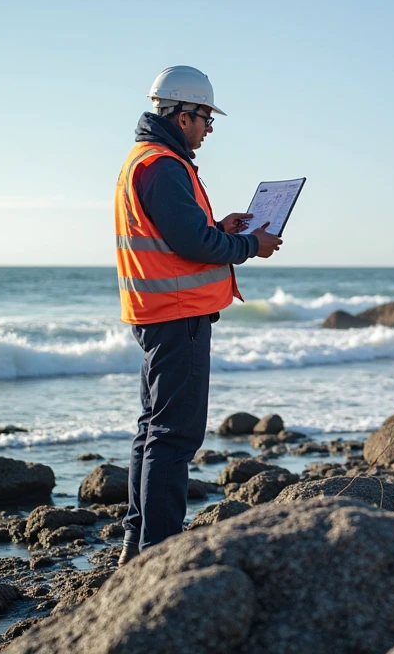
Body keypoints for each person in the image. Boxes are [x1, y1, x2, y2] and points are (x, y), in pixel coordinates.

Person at [113, 66, 283, 565]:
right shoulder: (164, 165)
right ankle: (157, 553)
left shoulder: (146, 161)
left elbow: (182, 233)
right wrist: (250, 243)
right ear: (182, 114)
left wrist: (219, 225)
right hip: (178, 315)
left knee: (152, 429)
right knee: (174, 435)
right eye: (206, 118)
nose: (209, 128)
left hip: (158, 312)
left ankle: (137, 545)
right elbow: (191, 244)